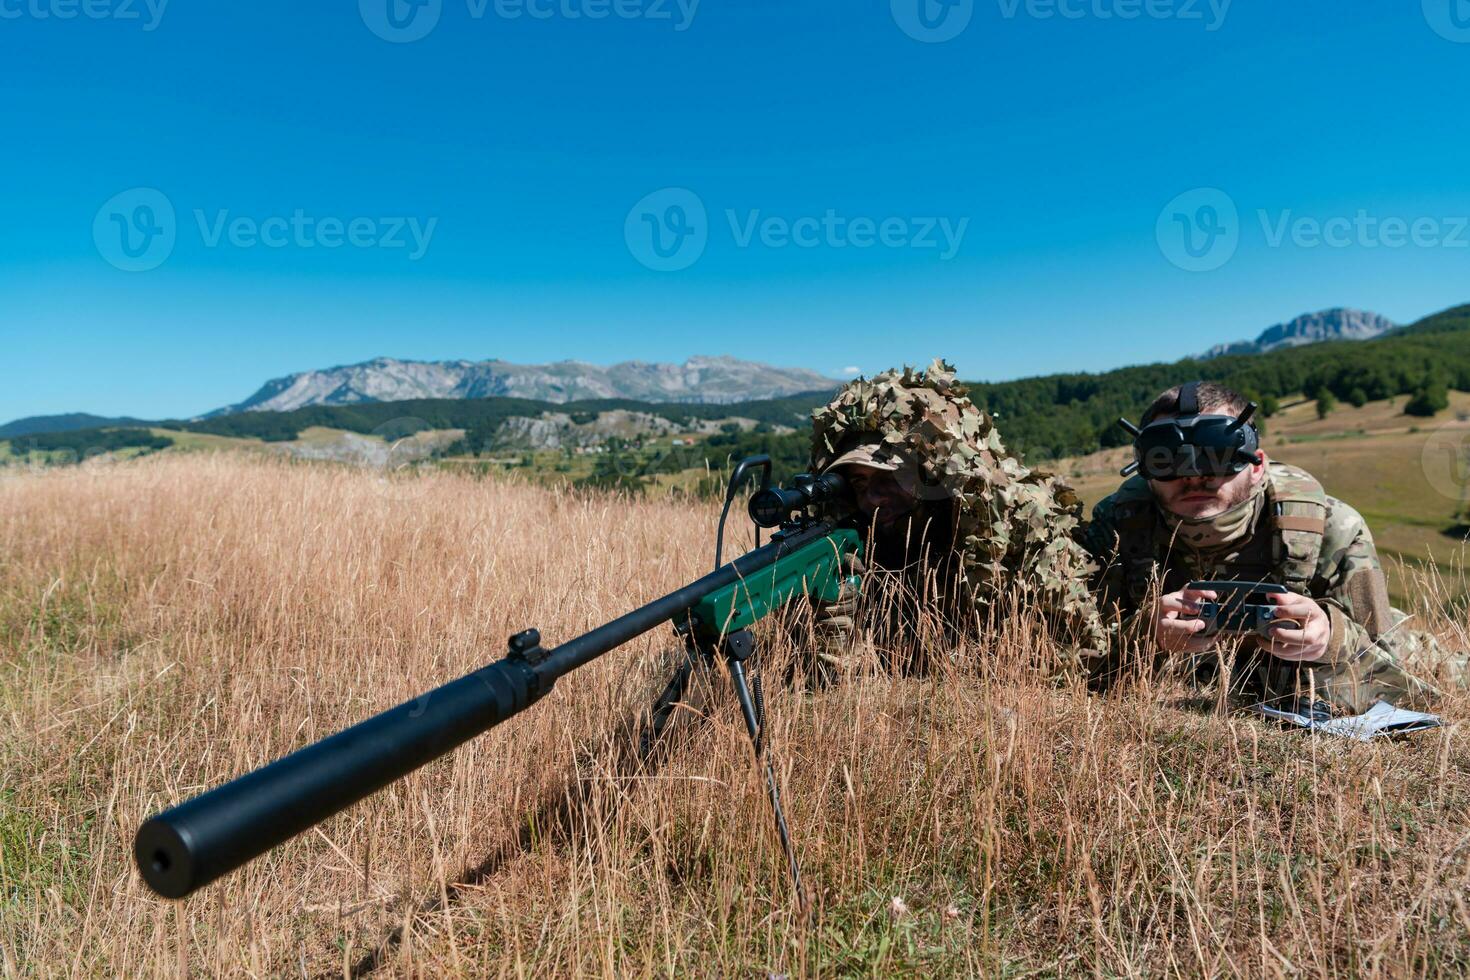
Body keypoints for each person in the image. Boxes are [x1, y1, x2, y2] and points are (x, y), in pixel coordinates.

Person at [1080, 379, 1445, 715]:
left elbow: (1396, 681)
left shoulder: (1332, 528)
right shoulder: (1118, 526)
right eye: (1166, 459)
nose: (1192, 475)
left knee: (1446, 665)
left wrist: (1329, 639)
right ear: (1144, 469)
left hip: (1407, 642)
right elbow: (1070, 662)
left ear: (1257, 465)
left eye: (1217, 454)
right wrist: (1143, 635)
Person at [798, 359, 1107, 679]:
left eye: (888, 478)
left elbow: (1083, 654)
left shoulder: (1023, 528)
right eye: (860, 482)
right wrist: (833, 626)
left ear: (931, 478)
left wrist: (939, 663)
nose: (873, 498)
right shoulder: (861, 540)